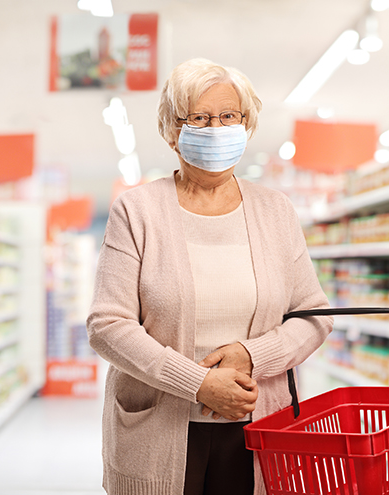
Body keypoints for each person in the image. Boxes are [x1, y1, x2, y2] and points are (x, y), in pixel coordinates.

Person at [87, 58, 333, 495]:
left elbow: (314, 315)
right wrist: (198, 382)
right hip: (157, 430)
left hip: (258, 427)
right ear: (172, 131)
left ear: (246, 124)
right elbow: (108, 326)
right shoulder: (138, 211)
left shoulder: (275, 211)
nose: (216, 129)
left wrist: (253, 355)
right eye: (199, 118)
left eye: (228, 117)